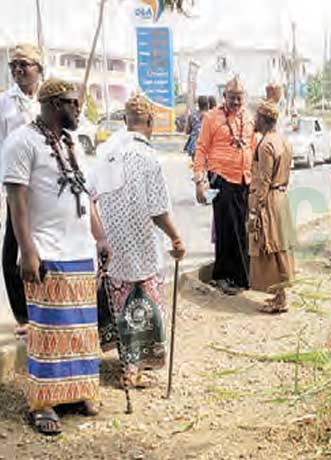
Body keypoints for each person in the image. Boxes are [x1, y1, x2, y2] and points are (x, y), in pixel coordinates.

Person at [2, 78, 110, 435]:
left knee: (79, 332)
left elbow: (87, 195)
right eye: (73, 103)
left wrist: (100, 237)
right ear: (52, 104)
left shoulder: (73, 143)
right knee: (49, 332)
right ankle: (43, 403)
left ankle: (78, 392)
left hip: (80, 253)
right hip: (47, 252)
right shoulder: (21, 142)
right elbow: (16, 201)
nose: (79, 110)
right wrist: (27, 250)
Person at [92, 93, 185, 388]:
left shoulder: (107, 152)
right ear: (150, 123)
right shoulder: (147, 157)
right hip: (140, 240)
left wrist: (101, 235)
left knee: (120, 297)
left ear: (124, 121)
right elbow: (158, 210)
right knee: (141, 299)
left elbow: (90, 196)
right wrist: (176, 237)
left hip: (110, 238)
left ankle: (126, 360)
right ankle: (132, 367)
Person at [193, 76, 255, 295]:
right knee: (226, 229)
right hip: (222, 179)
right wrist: (200, 181)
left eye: (239, 99)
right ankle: (223, 276)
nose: (236, 103)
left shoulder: (248, 118)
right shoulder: (211, 118)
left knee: (242, 229)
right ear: (224, 97)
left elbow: (253, 147)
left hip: (244, 180)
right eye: (232, 98)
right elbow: (200, 149)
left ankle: (241, 276)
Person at [0, 44, 43, 339]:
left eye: (24, 64)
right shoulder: (5, 102)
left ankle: (46, 307)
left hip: (47, 185)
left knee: (46, 247)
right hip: (17, 186)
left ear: (39, 68)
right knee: (13, 248)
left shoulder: (50, 99)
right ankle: (23, 315)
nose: (18, 70)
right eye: (13, 65)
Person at [248, 100, 296, 313]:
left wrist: (255, 207)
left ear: (264, 120)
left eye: (256, 117)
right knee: (280, 245)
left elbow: (264, 179)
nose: (254, 121)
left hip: (268, 201)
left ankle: (281, 299)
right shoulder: (283, 141)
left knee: (271, 246)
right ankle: (279, 295)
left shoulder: (267, 144)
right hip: (281, 197)